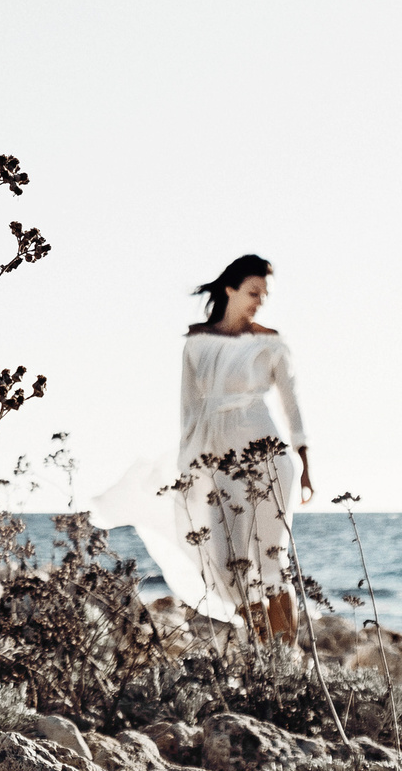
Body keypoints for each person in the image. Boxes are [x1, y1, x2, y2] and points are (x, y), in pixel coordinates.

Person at [90, 254, 313, 640]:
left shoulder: (270, 343)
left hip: (268, 457)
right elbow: (188, 410)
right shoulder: (196, 343)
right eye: (253, 291)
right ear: (230, 289)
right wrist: (189, 468)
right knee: (229, 563)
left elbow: (292, 406)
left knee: (273, 560)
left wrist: (306, 463)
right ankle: (265, 656)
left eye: (264, 294)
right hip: (215, 459)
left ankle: (287, 660)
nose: (259, 300)